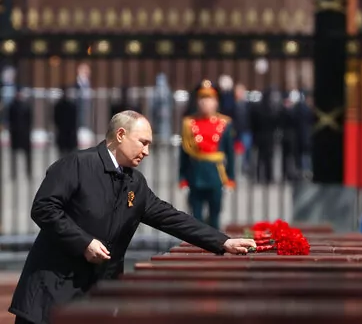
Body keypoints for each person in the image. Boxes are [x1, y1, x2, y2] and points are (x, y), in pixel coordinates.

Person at [9, 110, 255, 324]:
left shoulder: (134, 182)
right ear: (120, 136)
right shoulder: (77, 164)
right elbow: (44, 207)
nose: (147, 152)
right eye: (143, 142)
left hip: (95, 298)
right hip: (49, 295)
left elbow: (170, 217)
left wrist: (222, 242)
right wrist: (83, 242)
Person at [179, 79, 235, 230]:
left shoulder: (224, 123)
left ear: (216, 102)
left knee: (215, 215)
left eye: (209, 98)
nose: (206, 103)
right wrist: (182, 178)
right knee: (196, 217)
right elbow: (184, 153)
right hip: (195, 174)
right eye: (202, 98)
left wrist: (230, 178)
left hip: (216, 174)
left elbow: (230, 152)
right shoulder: (189, 123)